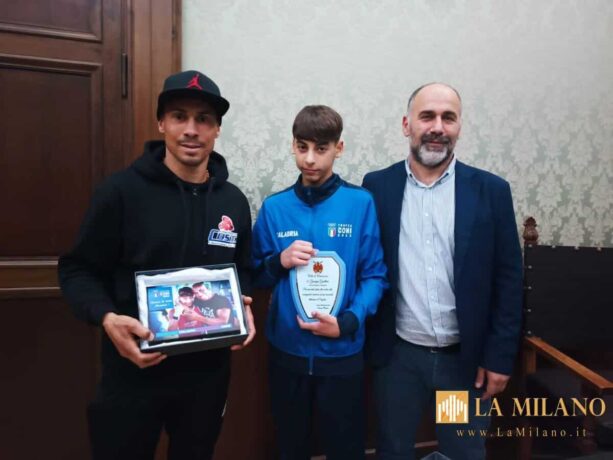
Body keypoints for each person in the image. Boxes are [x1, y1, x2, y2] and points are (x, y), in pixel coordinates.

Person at [58, 70, 255, 460]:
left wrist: (243, 303)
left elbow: (241, 267)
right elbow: (77, 270)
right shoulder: (119, 192)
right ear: (161, 122)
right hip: (134, 370)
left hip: (206, 376)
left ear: (217, 129)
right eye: (179, 116)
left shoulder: (232, 201)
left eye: (204, 119)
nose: (191, 129)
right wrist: (107, 318)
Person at [362, 83, 523, 460]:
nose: (437, 127)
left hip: (462, 365)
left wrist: (499, 357)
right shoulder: (378, 187)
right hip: (399, 361)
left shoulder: (490, 191)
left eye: (448, 118)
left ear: (459, 127)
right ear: (407, 125)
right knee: (394, 449)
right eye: (427, 116)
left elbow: (509, 280)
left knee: (460, 451)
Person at [252, 105, 388, 460]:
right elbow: (255, 275)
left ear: (338, 149)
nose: (310, 159)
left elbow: (375, 276)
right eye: (302, 147)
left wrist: (348, 322)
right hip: (287, 355)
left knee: (345, 449)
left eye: (321, 148)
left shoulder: (360, 203)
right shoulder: (275, 207)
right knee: (290, 447)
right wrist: (278, 261)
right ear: (293, 146)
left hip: (342, 355)